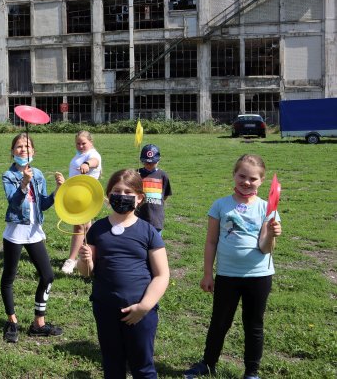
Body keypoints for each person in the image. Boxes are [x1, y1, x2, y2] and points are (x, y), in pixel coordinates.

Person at [184, 154, 282, 379]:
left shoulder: (268, 209)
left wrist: (272, 234)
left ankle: (251, 372)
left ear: (262, 181)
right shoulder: (220, 205)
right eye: (242, 176)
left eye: (253, 178)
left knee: (253, 324)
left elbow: (266, 248)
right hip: (227, 275)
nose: (247, 182)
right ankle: (208, 364)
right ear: (234, 175)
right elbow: (211, 241)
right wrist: (208, 274)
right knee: (219, 321)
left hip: (259, 276)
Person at [77, 169, 169, 379]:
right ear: (108, 196)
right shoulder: (97, 230)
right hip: (105, 308)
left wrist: (144, 307)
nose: (121, 196)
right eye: (116, 191)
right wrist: (85, 261)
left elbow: (162, 275)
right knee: (112, 364)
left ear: (139, 198)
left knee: (142, 366)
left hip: (140, 312)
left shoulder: (148, 231)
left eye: (128, 192)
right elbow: (87, 273)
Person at [0, 133, 65, 343]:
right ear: (12, 151)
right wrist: (22, 184)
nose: (22, 150)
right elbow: (14, 203)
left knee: (47, 276)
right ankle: (12, 321)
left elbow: (43, 204)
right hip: (15, 233)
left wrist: (57, 190)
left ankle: (39, 322)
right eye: (18, 147)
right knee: (9, 277)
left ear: (33, 152)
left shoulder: (37, 174)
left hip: (34, 232)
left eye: (27, 146)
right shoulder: (8, 176)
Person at [62, 130, 102, 274]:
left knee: (79, 227)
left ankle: (71, 260)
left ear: (91, 142)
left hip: (86, 196)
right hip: (77, 195)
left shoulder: (92, 154)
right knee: (85, 229)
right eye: (78, 143)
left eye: (83, 143)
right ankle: (90, 258)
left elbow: (95, 162)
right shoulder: (80, 154)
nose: (80, 146)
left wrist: (87, 164)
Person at [136, 144, 172, 233]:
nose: (149, 165)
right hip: (138, 217)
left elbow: (165, 195)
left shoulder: (163, 175)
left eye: (152, 162)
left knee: (154, 244)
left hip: (155, 218)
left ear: (158, 160)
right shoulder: (136, 174)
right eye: (146, 162)